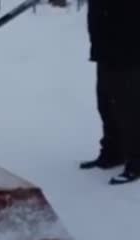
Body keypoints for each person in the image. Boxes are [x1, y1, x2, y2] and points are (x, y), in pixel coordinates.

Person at [49, 1, 140, 184]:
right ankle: (113, 152)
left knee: (128, 107)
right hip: (106, 43)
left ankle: (136, 160)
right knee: (106, 103)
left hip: (128, 45)